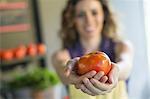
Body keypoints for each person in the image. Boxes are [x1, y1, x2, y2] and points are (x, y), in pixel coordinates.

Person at [52, 0, 134, 99]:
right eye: (81, 15)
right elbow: (63, 72)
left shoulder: (122, 46)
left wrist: (116, 72)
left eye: (94, 13)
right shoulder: (60, 56)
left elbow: (126, 64)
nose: (89, 20)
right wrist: (70, 72)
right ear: (73, 20)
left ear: (104, 15)